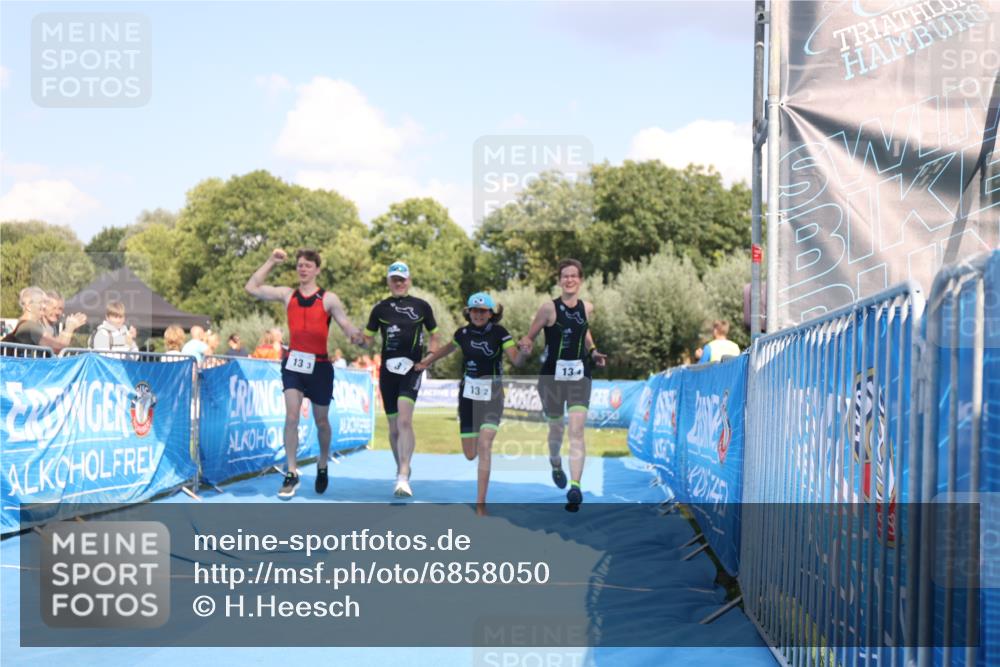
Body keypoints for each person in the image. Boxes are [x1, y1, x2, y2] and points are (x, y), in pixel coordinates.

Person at [246, 248, 363, 499]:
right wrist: (271, 261)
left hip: (320, 367)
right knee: (291, 417)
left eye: (308, 265)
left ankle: (322, 463)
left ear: (317, 270)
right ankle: (291, 472)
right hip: (294, 365)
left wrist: (356, 336)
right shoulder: (288, 295)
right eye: (300, 265)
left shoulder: (328, 298)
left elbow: (344, 324)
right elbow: (252, 287)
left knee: (321, 421)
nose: (303, 268)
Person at [415, 292, 523, 507]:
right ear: (469, 312)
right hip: (468, 398)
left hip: (492, 395)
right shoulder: (462, 333)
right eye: (474, 310)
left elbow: (516, 360)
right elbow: (446, 349)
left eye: (483, 311)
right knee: (470, 454)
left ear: (491, 314)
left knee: (484, 446)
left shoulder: (500, 333)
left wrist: (524, 352)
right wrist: (426, 362)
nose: (478, 315)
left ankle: (480, 503)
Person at [518, 259, 607, 509]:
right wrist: (525, 343)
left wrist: (594, 352)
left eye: (574, 276)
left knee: (577, 430)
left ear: (580, 280)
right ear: (559, 281)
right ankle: (555, 462)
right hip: (551, 379)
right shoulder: (548, 309)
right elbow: (530, 335)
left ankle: (575, 486)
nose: (569, 280)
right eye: (565, 276)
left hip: (580, 376)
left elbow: (584, 332)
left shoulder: (587, 308)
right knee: (557, 430)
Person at [360, 261, 439, 498]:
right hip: (388, 373)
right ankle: (402, 466)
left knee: (405, 421)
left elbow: (435, 334)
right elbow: (368, 339)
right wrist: (358, 339)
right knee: (394, 428)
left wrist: (430, 358)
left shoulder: (421, 306)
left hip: (412, 371)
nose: (398, 283)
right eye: (394, 279)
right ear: (388, 282)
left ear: (409, 281)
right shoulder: (379, 309)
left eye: (402, 279)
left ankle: (402, 476)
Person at [3, 286, 86, 353]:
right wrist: (70, 327)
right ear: (28, 306)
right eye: (41, 302)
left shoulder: (28, 325)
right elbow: (58, 347)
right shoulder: (29, 326)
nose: (44, 306)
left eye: (45, 303)